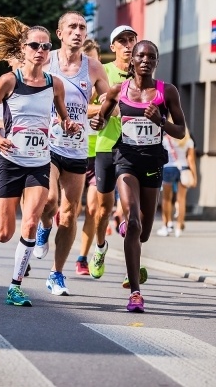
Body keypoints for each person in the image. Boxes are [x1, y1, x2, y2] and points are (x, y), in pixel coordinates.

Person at [0, 17, 79, 307]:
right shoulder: (9, 81)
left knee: (32, 221)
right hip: (10, 161)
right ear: (23, 48)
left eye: (46, 47)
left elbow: (62, 117)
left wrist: (69, 124)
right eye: (35, 45)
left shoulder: (54, 84)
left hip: (38, 162)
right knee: (3, 235)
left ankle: (15, 286)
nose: (41, 51)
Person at [90, 40, 187, 313]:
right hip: (125, 159)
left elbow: (180, 131)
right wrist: (98, 122)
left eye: (151, 56)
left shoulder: (166, 92)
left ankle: (131, 229)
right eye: (140, 56)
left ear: (156, 62)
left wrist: (161, 122)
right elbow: (102, 118)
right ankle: (135, 293)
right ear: (131, 60)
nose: (145, 60)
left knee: (142, 231)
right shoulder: (118, 90)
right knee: (132, 221)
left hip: (153, 162)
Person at [32, 11, 110, 296]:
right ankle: (43, 227)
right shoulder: (45, 59)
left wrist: (102, 116)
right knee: (50, 200)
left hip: (77, 148)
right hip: (45, 144)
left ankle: (56, 273)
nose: (78, 32)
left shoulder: (94, 68)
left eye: (82, 27)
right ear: (60, 32)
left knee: (69, 214)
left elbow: (108, 99)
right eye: (72, 27)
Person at [88, 25, 138, 280]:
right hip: (106, 146)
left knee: (130, 209)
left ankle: (132, 266)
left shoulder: (143, 73)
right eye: (122, 41)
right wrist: (107, 110)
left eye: (131, 40)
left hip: (134, 150)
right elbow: (85, 108)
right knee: (102, 209)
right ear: (113, 47)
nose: (128, 45)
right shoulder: (103, 72)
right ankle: (99, 247)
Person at [76, 39, 103, 275]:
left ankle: (82, 257)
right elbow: (77, 107)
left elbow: (112, 106)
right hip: (73, 151)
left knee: (93, 209)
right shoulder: (75, 84)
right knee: (70, 209)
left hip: (97, 153)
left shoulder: (103, 80)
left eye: (95, 59)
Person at [158, 128, 197, 237]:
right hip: (183, 169)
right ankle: (179, 227)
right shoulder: (188, 141)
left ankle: (165, 226)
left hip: (168, 168)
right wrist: (194, 177)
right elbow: (191, 160)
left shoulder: (165, 140)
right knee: (181, 200)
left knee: (166, 199)